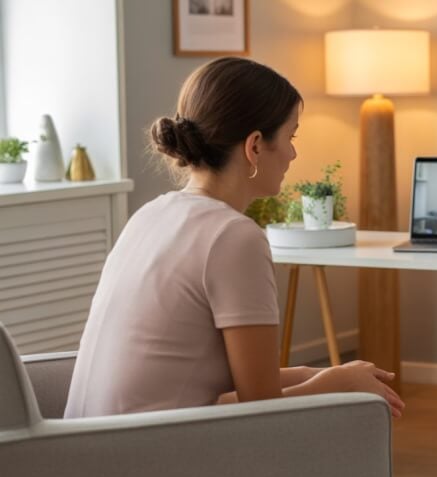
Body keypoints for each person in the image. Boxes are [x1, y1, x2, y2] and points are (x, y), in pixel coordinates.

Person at [65, 57, 404, 418]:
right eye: (291, 137)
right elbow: (262, 409)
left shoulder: (150, 214)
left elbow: (234, 382)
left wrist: (317, 374)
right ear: (255, 145)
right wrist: (341, 384)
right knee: (348, 416)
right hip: (141, 453)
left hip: (87, 447)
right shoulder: (234, 236)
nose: (293, 153)